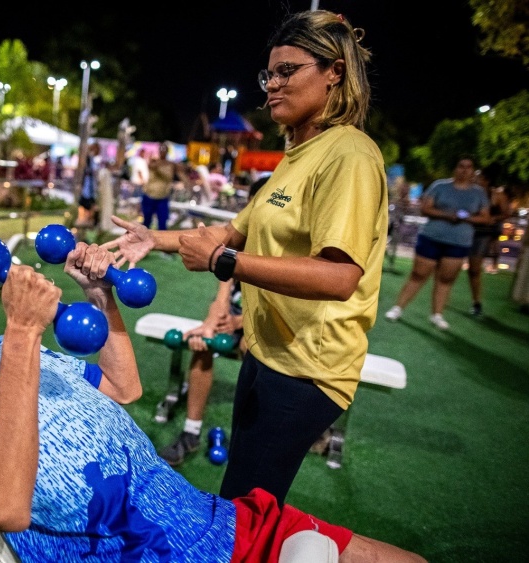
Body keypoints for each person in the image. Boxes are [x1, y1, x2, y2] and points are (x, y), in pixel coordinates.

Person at [0, 242, 425, 563]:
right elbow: (2, 505)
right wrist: (21, 333)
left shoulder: (13, 345)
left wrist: (99, 297)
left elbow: (123, 389)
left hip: (213, 523)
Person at [105, 10, 389, 506]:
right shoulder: (297, 155)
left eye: (287, 71)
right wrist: (154, 239)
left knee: (247, 505)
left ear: (334, 72)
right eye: (269, 74)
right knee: (244, 492)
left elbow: (340, 276)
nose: (272, 85)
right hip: (268, 351)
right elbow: (234, 231)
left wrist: (224, 263)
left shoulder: (350, 155)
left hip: (308, 369)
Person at [384, 155, 490, 330]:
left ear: (473, 170)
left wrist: (467, 217)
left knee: (446, 279)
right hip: (432, 237)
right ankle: (397, 308)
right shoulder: (440, 186)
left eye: (468, 167)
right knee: (418, 274)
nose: (464, 170)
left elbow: (485, 217)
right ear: (455, 168)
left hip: (458, 241)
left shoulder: (478, 193)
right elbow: (425, 208)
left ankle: (437, 314)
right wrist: (448, 215)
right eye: (461, 166)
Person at [158, 278, 244, 466]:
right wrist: (212, 321)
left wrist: (240, 323)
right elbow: (224, 288)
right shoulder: (241, 252)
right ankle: (191, 432)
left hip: (268, 317)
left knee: (252, 351)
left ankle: (249, 439)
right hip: (234, 311)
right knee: (203, 346)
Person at [466, 165, 511, 316]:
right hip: (464, 231)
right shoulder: (470, 192)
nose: (475, 180)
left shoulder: (496, 195)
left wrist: (494, 218)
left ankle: (476, 302)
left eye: (478, 178)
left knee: (474, 269)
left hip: (482, 234)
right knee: (449, 264)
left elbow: (507, 212)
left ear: (486, 180)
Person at [141, 142, 186, 230]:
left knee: (162, 223)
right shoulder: (155, 162)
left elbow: (180, 174)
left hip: (163, 197)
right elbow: (152, 166)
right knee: (146, 222)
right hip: (150, 195)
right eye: (161, 150)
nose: (163, 152)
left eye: (164, 150)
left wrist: (186, 182)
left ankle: (162, 242)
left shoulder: (171, 164)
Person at [76, 142, 101, 227]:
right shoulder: (89, 159)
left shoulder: (93, 159)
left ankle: (89, 219)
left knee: (90, 202)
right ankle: (84, 219)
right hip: (88, 184)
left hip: (91, 184)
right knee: (86, 202)